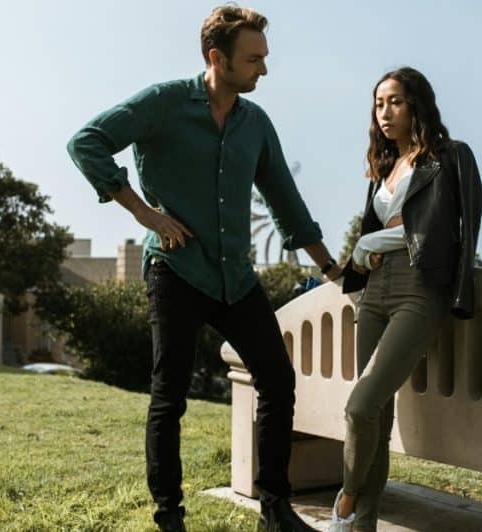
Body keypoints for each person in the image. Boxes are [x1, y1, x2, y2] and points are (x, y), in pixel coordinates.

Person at [67, 5, 343, 532]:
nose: (264, 69)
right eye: (254, 59)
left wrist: (328, 266)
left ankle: (276, 509)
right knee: (169, 395)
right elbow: (87, 142)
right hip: (175, 271)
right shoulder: (164, 103)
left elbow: (286, 200)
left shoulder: (255, 124)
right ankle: (170, 516)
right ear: (217, 58)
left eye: (264, 58)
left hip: (235, 279)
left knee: (278, 380)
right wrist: (143, 212)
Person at [330, 67, 482, 531]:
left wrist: (370, 245)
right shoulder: (383, 168)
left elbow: (449, 229)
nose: (385, 112)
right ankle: (362, 527)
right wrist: (366, 251)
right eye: (378, 104)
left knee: (360, 405)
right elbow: (381, 230)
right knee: (376, 412)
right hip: (374, 292)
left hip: (420, 289)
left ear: (416, 103)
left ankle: (348, 498)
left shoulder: (449, 158)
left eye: (395, 101)